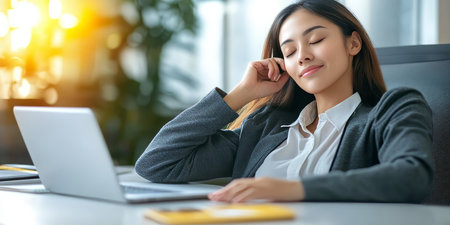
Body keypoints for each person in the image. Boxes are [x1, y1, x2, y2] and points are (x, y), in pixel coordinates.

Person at [135, 0, 433, 203]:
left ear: (353, 43)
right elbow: (157, 164)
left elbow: (412, 176)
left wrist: (292, 189)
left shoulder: (393, 109)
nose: (302, 55)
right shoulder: (265, 128)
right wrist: (241, 94)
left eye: (315, 40)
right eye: (289, 52)